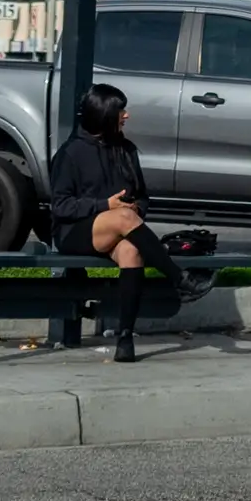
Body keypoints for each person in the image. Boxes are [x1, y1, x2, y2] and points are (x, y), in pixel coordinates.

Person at [44, 83, 176, 362]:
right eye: (120, 110)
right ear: (103, 115)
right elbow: (61, 206)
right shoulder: (70, 153)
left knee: (132, 251)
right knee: (123, 217)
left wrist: (136, 208)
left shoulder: (125, 149)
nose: (126, 115)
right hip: (75, 231)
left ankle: (125, 338)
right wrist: (106, 206)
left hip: (117, 230)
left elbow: (142, 196)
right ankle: (179, 278)